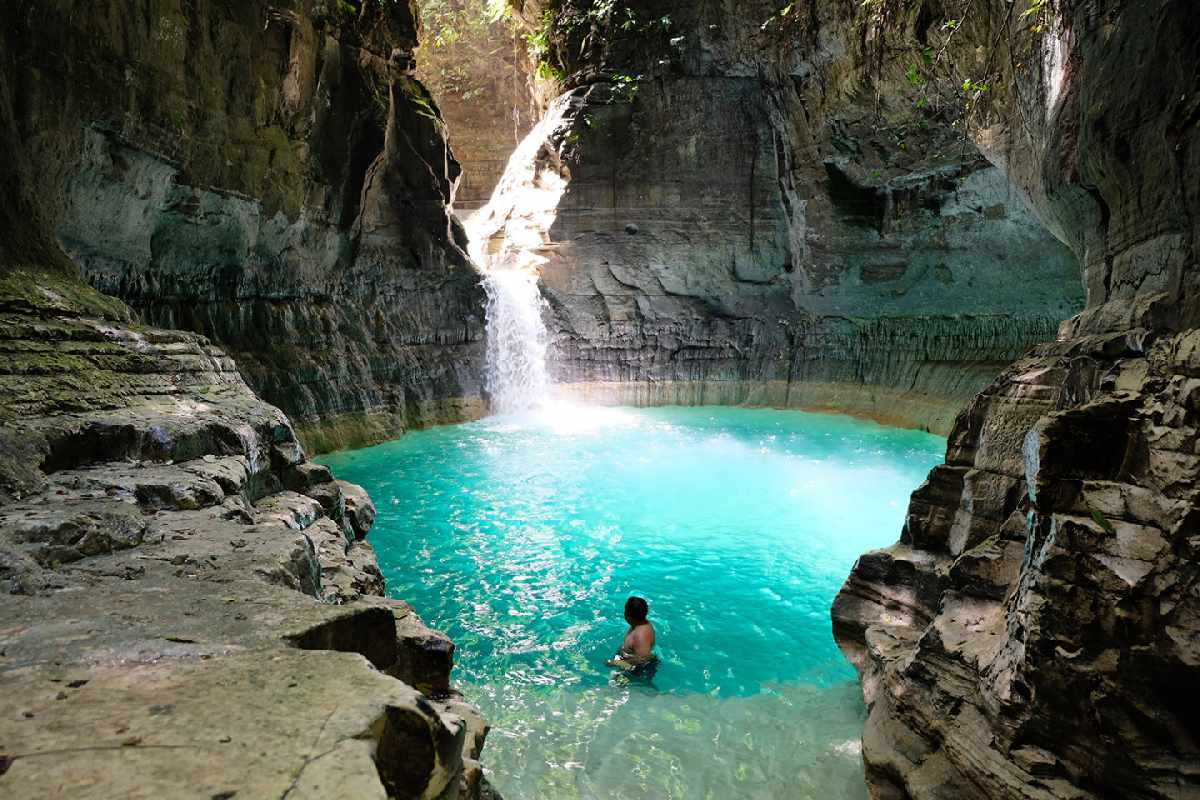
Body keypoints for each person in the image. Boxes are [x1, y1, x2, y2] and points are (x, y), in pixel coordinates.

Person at [606, 596, 656, 670]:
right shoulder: (640, 622)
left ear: (628, 615)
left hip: (639, 671)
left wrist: (614, 662)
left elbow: (643, 661)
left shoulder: (640, 636)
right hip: (629, 659)